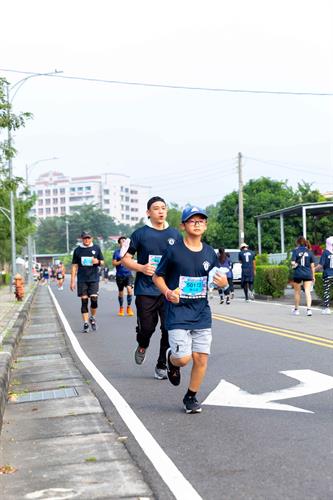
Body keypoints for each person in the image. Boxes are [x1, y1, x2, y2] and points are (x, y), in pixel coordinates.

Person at [153, 205, 228, 414]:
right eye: (193, 221)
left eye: (201, 221)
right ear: (183, 225)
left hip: (201, 311)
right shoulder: (174, 250)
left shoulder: (209, 252)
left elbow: (216, 280)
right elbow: (157, 276)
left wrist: (223, 284)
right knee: (183, 359)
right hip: (177, 311)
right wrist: (168, 292)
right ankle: (171, 359)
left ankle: (191, 396)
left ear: (205, 225)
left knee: (201, 357)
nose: (197, 224)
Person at [121, 196, 180, 380]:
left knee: (168, 329)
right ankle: (142, 344)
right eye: (156, 208)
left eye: (163, 208)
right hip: (145, 290)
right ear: (148, 213)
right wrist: (142, 268)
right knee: (147, 328)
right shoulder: (140, 234)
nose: (161, 211)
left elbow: (181, 261)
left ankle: (162, 363)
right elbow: (126, 259)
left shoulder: (175, 235)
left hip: (167, 291)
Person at [70, 231, 104, 332]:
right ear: (81, 238)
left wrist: (97, 261)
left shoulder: (96, 248)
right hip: (82, 279)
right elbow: (74, 266)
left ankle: (92, 317)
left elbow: (102, 262)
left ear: (92, 238)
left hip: (93, 279)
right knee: (84, 301)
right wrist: (72, 281)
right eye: (85, 238)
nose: (87, 240)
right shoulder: (77, 250)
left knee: (94, 300)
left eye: (88, 238)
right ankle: (85, 323)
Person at [291, 236, 315, 316]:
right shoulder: (309, 252)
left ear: (298, 243)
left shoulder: (295, 251)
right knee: (307, 291)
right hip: (308, 274)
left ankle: (296, 310)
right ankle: (309, 310)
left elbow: (293, 263)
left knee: (297, 292)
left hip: (298, 273)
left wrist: (296, 265)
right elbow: (312, 266)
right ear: (305, 242)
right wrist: (313, 276)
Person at [112, 237, 134, 316]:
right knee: (121, 292)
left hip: (128, 274)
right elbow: (114, 263)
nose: (124, 242)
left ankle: (129, 307)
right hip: (119, 275)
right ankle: (121, 308)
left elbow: (132, 262)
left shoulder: (129, 252)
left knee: (129, 289)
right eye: (122, 241)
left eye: (125, 241)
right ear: (119, 243)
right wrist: (122, 260)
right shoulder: (116, 252)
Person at [315, 236, 333, 314]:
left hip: (327, 275)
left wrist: (313, 270)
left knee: (327, 291)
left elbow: (321, 265)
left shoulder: (325, 252)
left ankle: (326, 309)